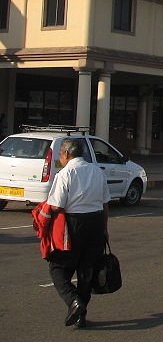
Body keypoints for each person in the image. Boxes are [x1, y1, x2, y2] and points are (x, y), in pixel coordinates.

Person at [45, 139, 110, 328]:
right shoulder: (97, 172)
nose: (60, 158)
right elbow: (105, 203)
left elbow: (56, 205)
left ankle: (74, 302)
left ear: (66, 154)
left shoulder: (66, 173)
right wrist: (104, 229)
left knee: (57, 269)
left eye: (60, 155)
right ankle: (81, 315)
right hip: (96, 223)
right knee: (86, 271)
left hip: (73, 224)